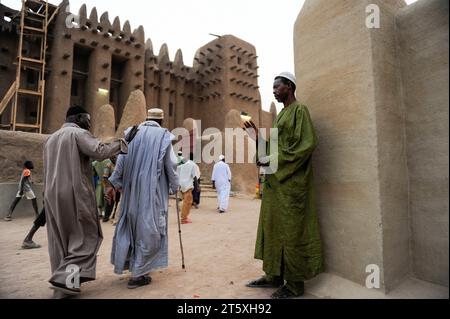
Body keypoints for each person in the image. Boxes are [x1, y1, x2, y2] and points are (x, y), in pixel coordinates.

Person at [242, 72, 324, 299]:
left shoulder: (300, 111)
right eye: (273, 87)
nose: (274, 91)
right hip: (275, 186)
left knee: (291, 232)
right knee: (272, 228)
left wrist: (272, 159)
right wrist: (257, 139)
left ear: (289, 86)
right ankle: (273, 275)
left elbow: (306, 145)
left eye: (277, 87)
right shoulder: (280, 116)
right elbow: (272, 150)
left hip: (291, 185)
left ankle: (294, 284)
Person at [43, 106, 131, 298]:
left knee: (61, 239)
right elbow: (99, 151)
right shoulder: (78, 133)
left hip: (51, 194)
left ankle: (67, 287)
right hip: (74, 192)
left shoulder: (51, 139)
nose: (89, 123)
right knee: (86, 236)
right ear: (79, 118)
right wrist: (123, 143)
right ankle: (64, 278)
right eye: (88, 119)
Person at [106, 108, 179, 289]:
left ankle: (133, 266)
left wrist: (115, 183)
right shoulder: (163, 136)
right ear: (161, 121)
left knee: (131, 228)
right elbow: (171, 165)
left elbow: (121, 160)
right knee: (150, 230)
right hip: (152, 192)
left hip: (130, 193)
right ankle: (138, 275)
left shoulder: (131, 133)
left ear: (146, 118)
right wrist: (175, 187)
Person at [177, 152, 199, 224]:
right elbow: (195, 176)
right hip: (188, 186)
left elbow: (177, 173)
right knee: (188, 202)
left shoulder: (182, 165)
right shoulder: (193, 165)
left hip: (181, 185)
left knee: (185, 201)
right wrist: (197, 186)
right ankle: (184, 219)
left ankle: (184, 215)